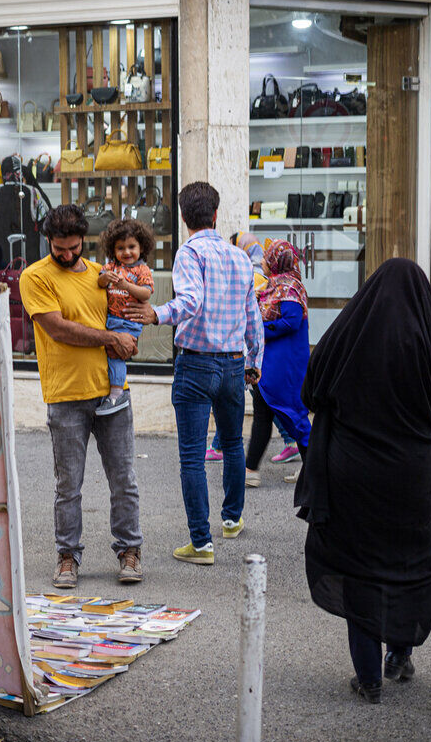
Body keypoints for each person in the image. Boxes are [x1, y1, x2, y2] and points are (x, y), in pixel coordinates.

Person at [294, 259, 431, 704]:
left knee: (360, 566)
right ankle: (399, 655)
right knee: (411, 560)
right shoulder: (425, 337)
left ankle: (369, 677)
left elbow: (310, 390)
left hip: (352, 470)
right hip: (411, 472)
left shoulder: (349, 331)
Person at [126, 182, 263, 565]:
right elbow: (253, 317)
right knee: (234, 443)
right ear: (216, 215)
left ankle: (201, 543)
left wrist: (157, 313)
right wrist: (255, 362)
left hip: (197, 362)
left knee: (192, 456)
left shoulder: (190, 252)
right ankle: (232, 519)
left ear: (183, 217)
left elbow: (191, 300)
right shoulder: (239, 258)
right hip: (235, 361)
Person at [19, 204, 144, 588]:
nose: (68, 255)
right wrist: (111, 339)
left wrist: (131, 338)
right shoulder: (35, 277)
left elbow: (124, 315)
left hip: (112, 392)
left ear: (84, 241)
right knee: (68, 485)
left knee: (123, 479)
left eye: (74, 248)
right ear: (49, 242)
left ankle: (129, 551)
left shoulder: (99, 275)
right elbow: (58, 329)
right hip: (66, 395)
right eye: (60, 248)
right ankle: (67, 556)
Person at [208, 233, 298, 465]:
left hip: (250, 349)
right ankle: (290, 441)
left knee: (236, 398)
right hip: (252, 348)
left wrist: (259, 329)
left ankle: (223, 449)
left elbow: (284, 320)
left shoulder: (258, 275)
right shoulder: (266, 275)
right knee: (260, 402)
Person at [244, 241, 311, 487]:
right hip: (271, 363)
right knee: (265, 414)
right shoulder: (274, 285)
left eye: (266, 257)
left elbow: (291, 322)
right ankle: (250, 469)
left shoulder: (289, 287)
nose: (262, 261)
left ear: (277, 260)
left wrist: (261, 329)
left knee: (293, 415)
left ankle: (313, 470)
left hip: (284, 366)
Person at [96, 217, 155, 415]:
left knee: (116, 356)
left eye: (131, 246)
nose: (127, 252)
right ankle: (110, 389)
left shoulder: (142, 269)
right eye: (120, 248)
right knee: (107, 354)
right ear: (112, 250)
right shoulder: (111, 267)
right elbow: (100, 282)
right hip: (111, 320)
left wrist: (127, 286)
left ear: (141, 247)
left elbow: (146, 293)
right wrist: (105, 278)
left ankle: (116, 393)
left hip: (129, 322)